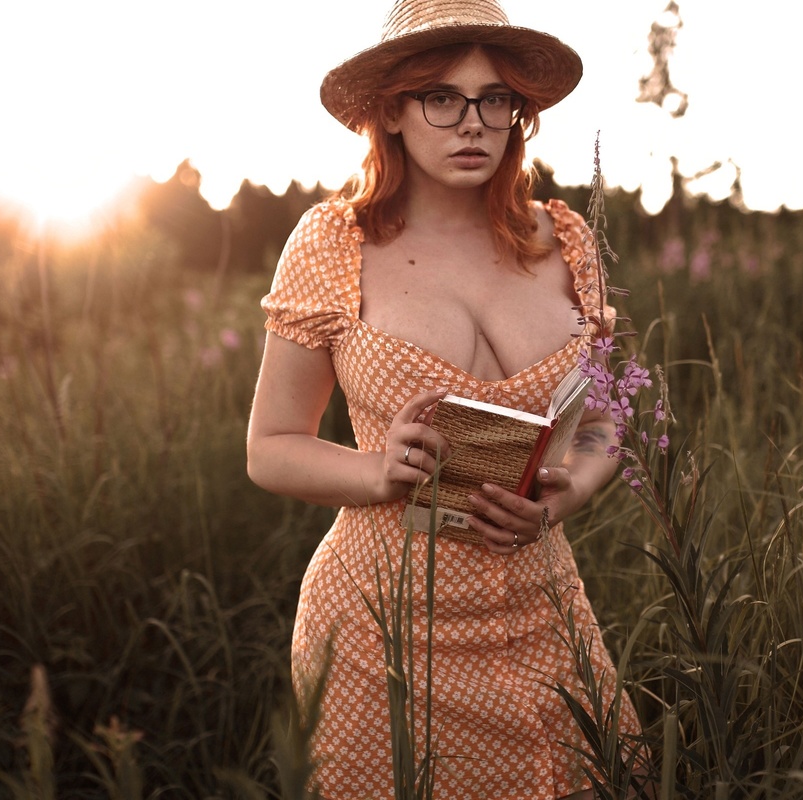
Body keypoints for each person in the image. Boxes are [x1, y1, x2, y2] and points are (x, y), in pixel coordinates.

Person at [245, 0, 643, 796]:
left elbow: (605, 415)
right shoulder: (333, 245)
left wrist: (572, 489)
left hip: (545, 610)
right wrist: (377, 471)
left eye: (495, 99)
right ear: (391, 112)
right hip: (377, 632)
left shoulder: (566, 240)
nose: (473, 123)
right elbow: (269, 447)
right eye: (443, 98)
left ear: (517, 116)